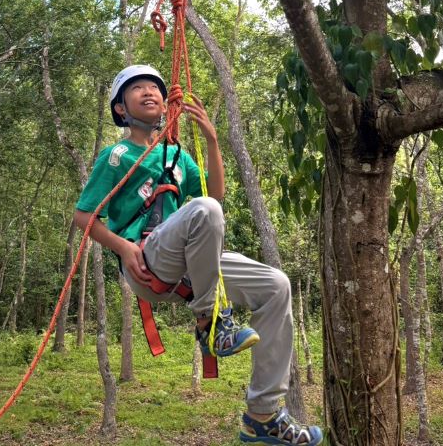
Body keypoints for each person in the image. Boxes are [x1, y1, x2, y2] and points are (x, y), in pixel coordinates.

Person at [74, 64, 323, 446]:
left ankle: (262, 415)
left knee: (276, 285)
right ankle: (211, 321)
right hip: (147, 258)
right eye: (136, 89)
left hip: (186, 260)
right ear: (121, 109)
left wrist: (210, 140)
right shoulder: (117, 155)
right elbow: (83, 216)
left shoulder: (176, 157)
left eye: (154, 88)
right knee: (204, 210)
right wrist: (123, 248)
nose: (149, 92)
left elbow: (216, 197)